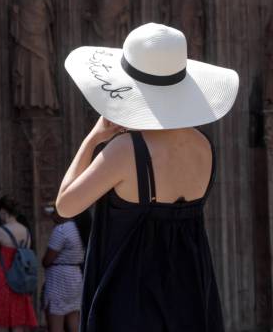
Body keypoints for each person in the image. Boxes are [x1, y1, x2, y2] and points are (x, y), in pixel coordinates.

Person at [58, 22, 238, 331]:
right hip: (193, 296)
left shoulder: (126, 151)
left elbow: (65, 205)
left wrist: (93, 139)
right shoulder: (204, 146)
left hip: (133, 301)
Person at [0, 195, 38, 332]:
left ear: (3, 211)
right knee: (18, 325)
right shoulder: (26, 232)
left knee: (1, 324)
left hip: (2, 281)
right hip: (20, 281)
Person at [41, 211, 85, 332]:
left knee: (56, 320)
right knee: (73, 319)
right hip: (75, 277)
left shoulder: (61, 230)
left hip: (59, 280)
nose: (52, 216)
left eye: (54, 211)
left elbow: (48, 259)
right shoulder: (79, 228)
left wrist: (44, 261)